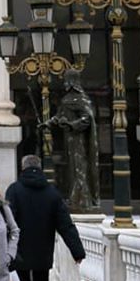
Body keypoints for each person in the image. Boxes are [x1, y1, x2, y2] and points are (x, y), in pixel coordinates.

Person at [5, 154, 85, 281]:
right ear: (40, 168)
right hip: (43, 252)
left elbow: (7, 223)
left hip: (18, 252)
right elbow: (65, 225)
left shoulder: (14, 190)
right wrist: (77, 251)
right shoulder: (52, 193)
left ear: (22, 168)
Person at [48, 68, 99, 212]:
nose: (65, 83)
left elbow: (86, 119)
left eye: (66, 80)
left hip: (79, 140)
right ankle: (74, 198)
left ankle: (82, 200)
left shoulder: (81, 99)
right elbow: (59, 115)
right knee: (71, 169)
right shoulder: (67, 99)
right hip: (69, 140)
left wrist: (71, 125)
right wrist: (48, 123)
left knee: (79, 168)